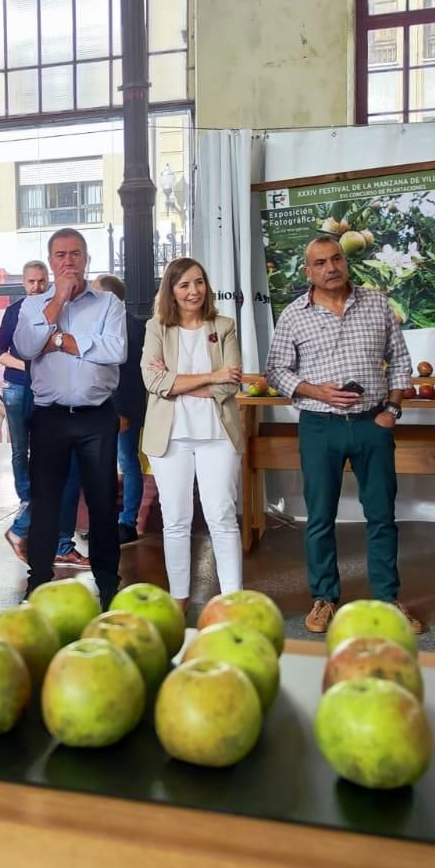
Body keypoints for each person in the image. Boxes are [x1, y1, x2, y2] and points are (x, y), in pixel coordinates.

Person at [263, 234, 421, 636]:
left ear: (345, 262)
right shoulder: (293, 315)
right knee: (319, 517)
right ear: (308, 271)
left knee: (382, 516)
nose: (331, 268)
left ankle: (387, 599)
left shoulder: (376, 304)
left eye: (336, 259)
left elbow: (400, 360)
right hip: (319, 427)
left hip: (372, 423)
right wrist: (316, 391)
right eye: (320, 263)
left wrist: (392, 410)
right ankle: (324, 598)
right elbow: (276, 371)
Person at [13, 228, 128, 601]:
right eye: (60, 255)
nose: (68, 261)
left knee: (102, 497)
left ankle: (108, 579)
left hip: (96, 416)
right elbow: (27, 346)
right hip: (50, 417)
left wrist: (60, 340)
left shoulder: (109, 303)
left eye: (75, 254)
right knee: (45, 500)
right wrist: (58, 300)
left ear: (87, 259)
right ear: (51, 261)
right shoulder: (33, 305)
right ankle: (38, 577)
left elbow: (115, 351)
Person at [141, 258, 244, 614]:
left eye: (199, 282)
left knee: (221, 515)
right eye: (184, 285)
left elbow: (230, 385)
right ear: (171, 290)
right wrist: (210, 376)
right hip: (170, 437)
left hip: (218, 434)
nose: (193, 291)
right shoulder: (157, 328)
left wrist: (178, 383)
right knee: (176, 519)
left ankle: (233, 599)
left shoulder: (225, 325)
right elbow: (152, 382)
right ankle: (179, 597)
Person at [0, 260, 49, 561]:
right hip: (18, 385)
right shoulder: (14, 311)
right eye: (31, 281)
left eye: (41, 281)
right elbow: (0, 353)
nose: (36, 287)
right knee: (20, 448)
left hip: (46, 389)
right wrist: (29, 367)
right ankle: (26, 498)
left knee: (45, 449)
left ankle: (33, 505)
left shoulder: (57, 306)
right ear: (24, 282)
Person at [94, 273, 147, 546]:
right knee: (107, 464)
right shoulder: (106, 324)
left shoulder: (131, 327)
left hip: (120, 409)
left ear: (108, 297)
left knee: (126, 462)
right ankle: (110, 523)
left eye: (95, 292)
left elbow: (130, 375)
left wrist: (123, 411)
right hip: (103, 408)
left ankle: (127, 523)